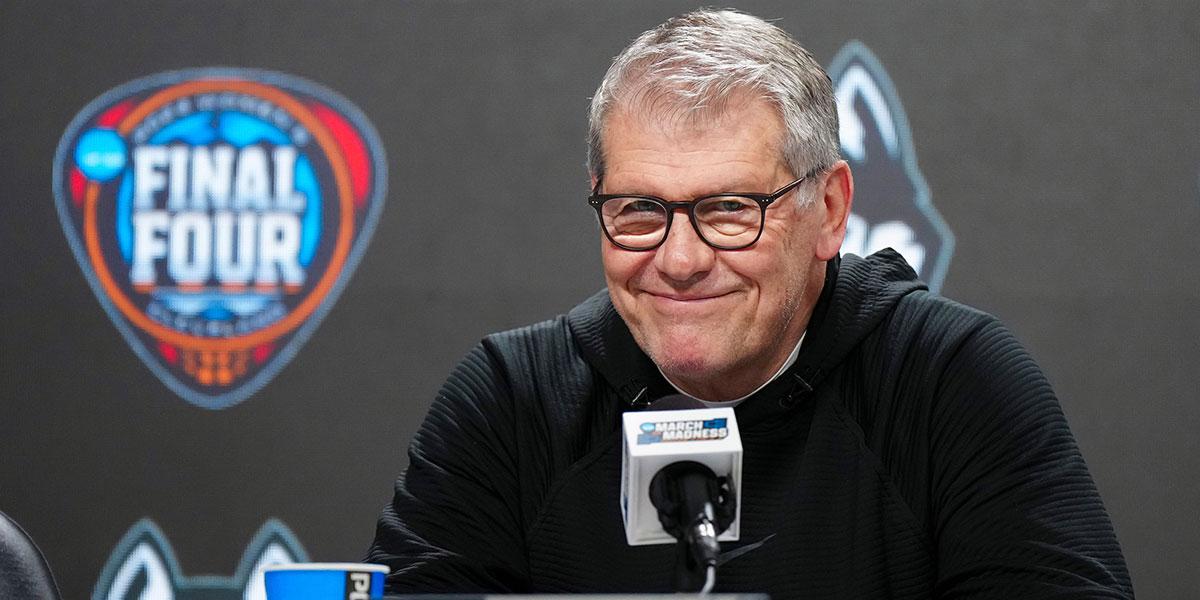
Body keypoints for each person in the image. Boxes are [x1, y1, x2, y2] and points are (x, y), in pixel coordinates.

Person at [368, 9, 1133, 598]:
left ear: (830, 211)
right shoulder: (511, 403)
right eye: (639, 209)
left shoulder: (948, 384)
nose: (679, 259)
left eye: (730, 208)